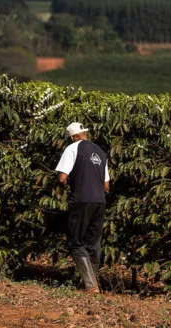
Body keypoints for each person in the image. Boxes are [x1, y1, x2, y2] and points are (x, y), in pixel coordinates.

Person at [55, 122, 110, 293]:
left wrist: (65, 186)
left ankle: (90, 285)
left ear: (72, 137)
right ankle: (94, 283)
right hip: (100, 201)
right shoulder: (101, 152)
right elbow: (106, 185)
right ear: (84, 133)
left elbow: (62, 177)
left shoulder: (72, 148)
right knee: (93, 243)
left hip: (81, 199)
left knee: (76, 242)